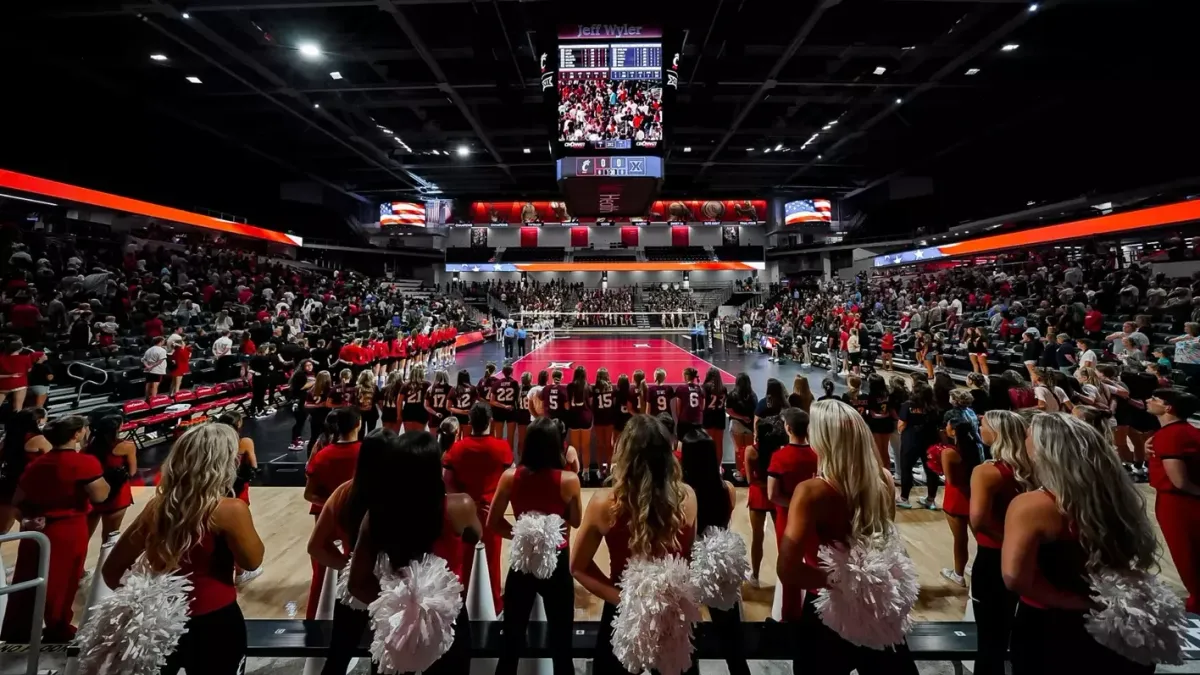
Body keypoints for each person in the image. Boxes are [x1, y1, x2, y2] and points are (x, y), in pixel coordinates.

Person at [1003, 413, 1159, 674]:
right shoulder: (1117, 496)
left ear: (1046, 448)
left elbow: (1014, 578)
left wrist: (1071, 602)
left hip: (1055, 626)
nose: (1024, 440)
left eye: (1029, 434)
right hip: (1121, 618)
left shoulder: (1033, 504)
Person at [102, 424, 264, 675]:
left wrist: (145, 604)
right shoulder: (230, 509)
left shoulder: (157, 507)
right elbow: (253, 561)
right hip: (215, 622)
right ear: (223, 462)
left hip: (158, 624)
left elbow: (111, 571)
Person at [776, 399, 918, 674]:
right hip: (876, 607)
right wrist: (863, 583)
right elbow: (883, 545)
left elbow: (788, 570)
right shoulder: (884, 480)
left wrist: (843, 580)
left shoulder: (811, 492)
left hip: (827, 608)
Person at [569, 415, 698, 675]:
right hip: (672, 617)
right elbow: (688, 560)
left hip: (622, 613)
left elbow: (577, 567)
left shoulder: (604, 503)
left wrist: (625, 599)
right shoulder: (688, 498)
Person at [347, 431, 482, 675]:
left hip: (395, 628)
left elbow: (356, 584)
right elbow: (476, 534)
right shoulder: (459, 506)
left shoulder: (376, 514)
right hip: (449, 621)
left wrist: (398, 607)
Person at [1, 416, 113, 643]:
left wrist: (29, 519)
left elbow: (18, 501)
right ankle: (57, 629)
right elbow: (101, 495)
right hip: (69, 529)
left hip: (37, 530)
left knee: (28, 579)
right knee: (64, 582)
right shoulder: (85, 463)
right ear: (76, 434)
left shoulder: (37, 464)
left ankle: (18, 633)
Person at [488, 418, 583, 675]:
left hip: (522, 562)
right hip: (557, 559)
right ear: (556, 445)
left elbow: (493, 522)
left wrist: (522, 536)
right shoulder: (569, 480)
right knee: (562, 644)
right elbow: (576, 520)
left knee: (511, 641)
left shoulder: (510, 477)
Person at [307, 428, 395, 675]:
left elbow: (316, 546)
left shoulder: (346, 491)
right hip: (392, 587)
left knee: (338, 657)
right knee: (385, 661)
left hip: (353, 588)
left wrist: (348, 565)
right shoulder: (402, 494)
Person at [679, 430, 751, 675]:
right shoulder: (727, 488)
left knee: (687, 638)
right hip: (717, 562)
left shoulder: (682, 495)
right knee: (731, 636)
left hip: (689, 564)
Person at [970, 410, 1033, 675]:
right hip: (1031, 556)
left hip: (993, 558)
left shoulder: (987, 472)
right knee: (1021, 630)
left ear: (996, 432)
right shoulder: (1032, 468)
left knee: (990, 638)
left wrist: (1007, 542)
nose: (979, 429)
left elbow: (979, 521)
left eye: (982, 425)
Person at [443, 401, 513, 613]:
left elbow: (447, 480)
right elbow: (508, 479)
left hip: (464, 512)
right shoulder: (502, 448)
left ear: (469, 421)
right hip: (490, 511)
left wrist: (465, 501)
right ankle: (493, 605)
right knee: (491, 560)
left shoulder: (457, 448)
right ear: (491, 422)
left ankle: (463, 603)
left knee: (464, 558)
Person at [304, 407, 362, 619]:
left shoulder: (321, 455)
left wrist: (331, 503)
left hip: (326, 518)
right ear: (358, 425)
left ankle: (316, 618)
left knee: (322, 573)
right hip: (355, 520)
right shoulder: (365, 452)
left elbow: (308, 494)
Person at [1146, 389, 1200, 613]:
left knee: (1187, 554)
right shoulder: (1185, 431)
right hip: (1183, 501)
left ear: (1169, 407)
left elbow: (1179, 481)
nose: (1149, 400)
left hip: (1178, 504)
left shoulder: (1170, 435)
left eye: (1155, 399)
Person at [767, 408, 818, 620]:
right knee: (813, 561)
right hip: (813, 518)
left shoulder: (780, 457)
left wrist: (796, 504)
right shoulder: (816, 455)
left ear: (788, 428)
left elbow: (772, 495)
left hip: (787, 519)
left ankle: (790, 615)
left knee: (789, 565)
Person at [940, 419, 984, 587]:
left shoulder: (948, 453)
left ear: (953, 432)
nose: (945, 428)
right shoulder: (976, 448)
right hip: (973, 494)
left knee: (960, 539)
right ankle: (977, 568)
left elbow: (950, 478)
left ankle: (958, 574)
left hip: (955, 498)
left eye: (948, 426)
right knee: (980, 538)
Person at [745, 416, 787, 588]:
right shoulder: (778, 452)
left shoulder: (750, 451)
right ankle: (783, 575)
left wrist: (763, 483)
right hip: (776, 495)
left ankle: (755, 575)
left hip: (757, 496)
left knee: (757, 537)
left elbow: (750, 480)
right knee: (781, 538)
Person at [85, 413, 136, 542]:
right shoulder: (127, 446)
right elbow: (132, 471)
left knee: (84, 538)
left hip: (93, 493)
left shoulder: (87, 448)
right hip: (117, 495)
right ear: (117, 428)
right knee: (109, 539)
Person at [0, 408, 50, 534]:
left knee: (2, 530)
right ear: (37, 421)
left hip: (7, 483)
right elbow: (54, 460)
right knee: (30, 527)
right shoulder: (39, 439)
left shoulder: (8, 438)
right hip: (30, 487)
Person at [897, 384, 941, 509]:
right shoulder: (934, 407)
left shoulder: (907, 405)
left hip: (911, 441)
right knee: (932, 471)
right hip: (930, 442)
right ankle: (931, 499)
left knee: (906, 469)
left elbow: (902, 425)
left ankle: (904, 498)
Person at [726, 373, 757, 483]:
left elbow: (729, 410)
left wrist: (741, 417)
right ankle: (749, 473)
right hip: (749, 426)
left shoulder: (732, 395)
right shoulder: (753, 395)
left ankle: (740, 474)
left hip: (737, 425)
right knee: (748, 451)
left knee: (738, 450)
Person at [565, 366, 594, 479]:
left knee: (575, 446)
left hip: (574, 417)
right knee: (586, 446)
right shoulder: (588, 387)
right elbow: (591, 403)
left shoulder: (570, 386)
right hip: (586, 417)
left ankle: (576, 471)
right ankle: (586, 472)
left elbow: (567, 405)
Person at [591, 368, 617, 478]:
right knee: (609, 445)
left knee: (600, 445)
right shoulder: (612, 388)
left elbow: (592, 404)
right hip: (609, 418)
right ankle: (609, 468)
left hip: (598, 419)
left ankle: (601, 468)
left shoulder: (594, 388)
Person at [702, 368, 728, 467]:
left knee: (708, 443)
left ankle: (708, 465)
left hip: (709, 416)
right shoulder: (723, 388)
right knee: (719, 444)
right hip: (720, 417)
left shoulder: (706, 387)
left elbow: (703, 405)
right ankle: (718, 466)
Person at [490, 364, 520, 445]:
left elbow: (492, 401)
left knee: (498, 438)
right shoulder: (515, 383)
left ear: (503, 372)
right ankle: (510, 456)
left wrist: (503, 406)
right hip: (511, 411)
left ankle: (499, 456)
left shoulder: (496, 383)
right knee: (511, 438)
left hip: (498, 411)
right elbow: (517, 399)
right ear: (511, 372)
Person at [305, 371, 334, 454]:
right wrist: (321, 405)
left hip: (315, 418)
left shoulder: (311, 391)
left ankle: (310, 458)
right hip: (326, 418)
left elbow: (306, 405)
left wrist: (316, 405)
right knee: (328, 438)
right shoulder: (330, 391)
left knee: (314, 438)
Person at [674, 367, 705, 440]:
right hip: (697, 420)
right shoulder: (700, 388)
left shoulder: (681, 388)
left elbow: (678, 407)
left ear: (686, 376)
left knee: (682, 442)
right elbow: (702, 407)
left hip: (685, 420)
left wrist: (680, 418)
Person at [400, 365, 430, 433]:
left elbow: (399, 401)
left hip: (408, 412)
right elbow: (430, 399)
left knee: (408, 435)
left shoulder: (405, 385)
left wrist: (399, 414)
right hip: (421, 411)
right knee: (419, 436)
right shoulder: (427, 384)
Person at [142, 336, 169, 400]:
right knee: (155, 384)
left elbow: (143, 360)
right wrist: (151, 366)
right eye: (163, 341)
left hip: (149, 371)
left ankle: (147, 398)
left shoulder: (149, 350)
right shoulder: (162, 350)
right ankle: (153, 399)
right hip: (157, 370)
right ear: (161, 342)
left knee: (148, 384)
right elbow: (160, 361)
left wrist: (147, 366)